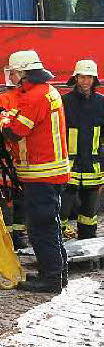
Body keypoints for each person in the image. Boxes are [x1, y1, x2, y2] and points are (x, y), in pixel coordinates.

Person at [0, 50, 70, 293]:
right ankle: (58, 273)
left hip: (41, 175)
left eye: (15, 72)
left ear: (24, 73)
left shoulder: (34, 97)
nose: (13, 77)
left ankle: (50, 279)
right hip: (50, 173)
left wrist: (1, 121)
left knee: (41, 229)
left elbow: (15, 132)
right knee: (51, 225)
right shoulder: (48, 92)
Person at [61, 60, 104, 239]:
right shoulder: (65, 101)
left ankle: (87, 242)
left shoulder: (101, 102)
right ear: (75, 78)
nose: (85, 81)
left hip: (92, 167)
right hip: (68, 167)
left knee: (89, 214)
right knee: (62, 210)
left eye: (89, 77)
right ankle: (57, 248)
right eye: (82, 77)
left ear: (94, 80)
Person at [0, 70, 27, 250]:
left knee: (8, 200)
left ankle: (9, 238)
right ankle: (15, 237)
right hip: (13, 159)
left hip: (8, 160)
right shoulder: (28, 98)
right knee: (15, 200)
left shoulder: (3, 99)